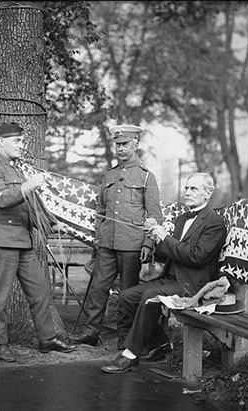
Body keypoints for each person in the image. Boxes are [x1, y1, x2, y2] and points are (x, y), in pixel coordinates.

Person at [101, 172, 227, 374]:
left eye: (194, 189)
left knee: (151, 297)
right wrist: (155, 238)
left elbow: (196, 257)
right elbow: (167, 254)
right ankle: (159, 343)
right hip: (170, 278)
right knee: (127, 297)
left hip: (192, 285)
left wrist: (165, 238)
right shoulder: (180, 219)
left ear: (208, 193)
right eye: (187, 188)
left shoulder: (214, 223)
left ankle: (131, 355)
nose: (188, 192)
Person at [0, 122, 77, 362]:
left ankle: (47, 339)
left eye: (22, 141)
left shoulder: (18, 170)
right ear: (1, 141)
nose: (21, 146)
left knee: (40, 291)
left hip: (23, 242)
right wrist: (27, 186)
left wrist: (50, 224)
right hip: (3, 242)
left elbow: (30, 209)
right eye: (16, 141)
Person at [73, 124, 163, 348]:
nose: (121, 149)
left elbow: (154, 215)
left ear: (136, 145)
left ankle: (125, 338)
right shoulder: (109, 175)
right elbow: (100, 211)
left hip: (132, 245)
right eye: (118, 145)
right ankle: (91, 332)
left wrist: (148, 244)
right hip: (107, 243)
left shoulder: (146, 177)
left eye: (125, 144)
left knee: (127, 292)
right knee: (98, 288)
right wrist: (98, 237)